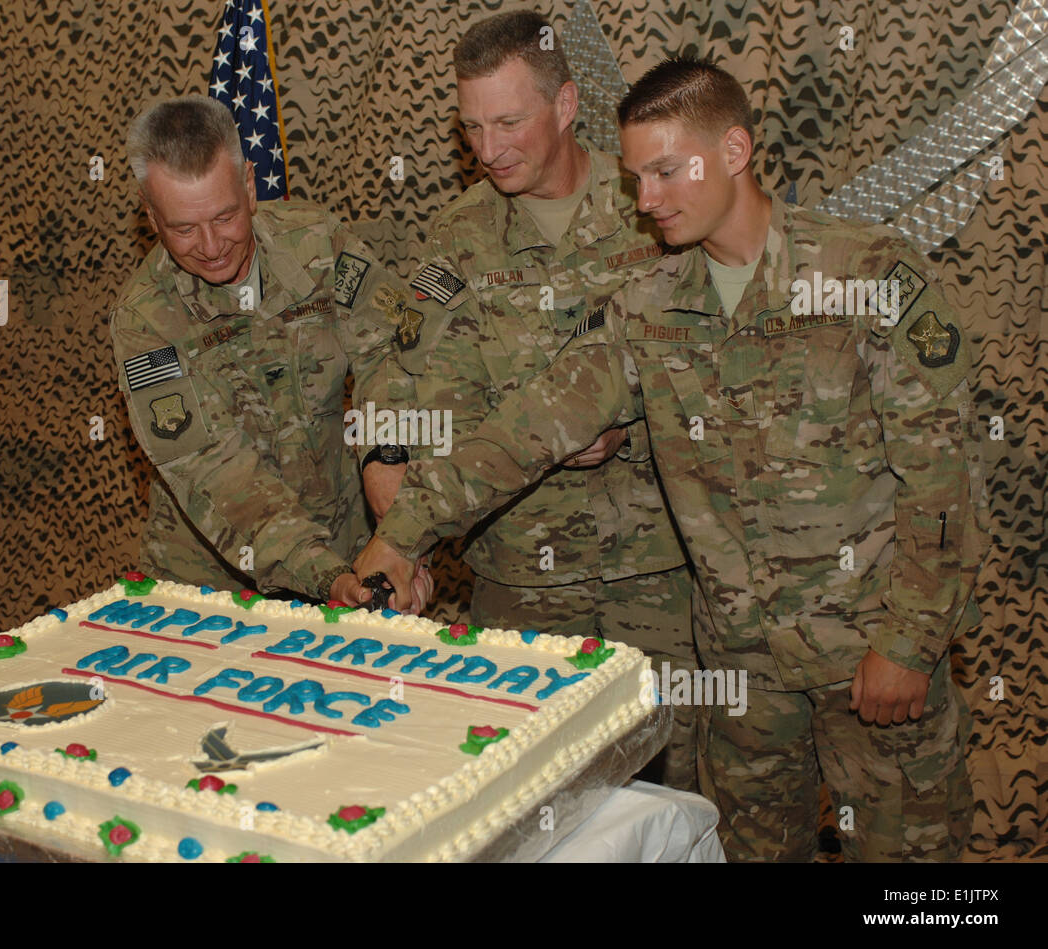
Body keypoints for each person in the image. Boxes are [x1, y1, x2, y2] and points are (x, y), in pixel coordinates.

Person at [355, 56, 988, 862]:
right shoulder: (646, 306)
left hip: (868, 656)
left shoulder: (865, 276)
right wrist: (403, 530)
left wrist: (910, 639)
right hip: (741, 676)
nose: (645, 200)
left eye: (664, 171)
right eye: (634, 177)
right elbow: (524, 430)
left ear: (733, 151)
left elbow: (942, 480)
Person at [361, 11, 697, 790]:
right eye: (471, 125)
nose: (488, 149)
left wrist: (630, 427)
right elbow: (402, 378)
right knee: (528, 803)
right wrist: (389, 472)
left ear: (568, 105)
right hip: (519, 580)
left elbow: (716, 366)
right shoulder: (458, 235)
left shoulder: (653, 209)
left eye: (509, 120)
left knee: (669, 800)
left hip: (658, 571)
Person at [111, 96, 428, 609]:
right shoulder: (144, 319)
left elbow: (394, 349)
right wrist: (329, 578)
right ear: (150, 216)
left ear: (251, 187)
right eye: (184, 228)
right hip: (212, 589)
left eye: (225, 216)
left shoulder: (320, 244)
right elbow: (216, 470)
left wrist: (394, 491)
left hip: (351, 543)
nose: (212, 245)